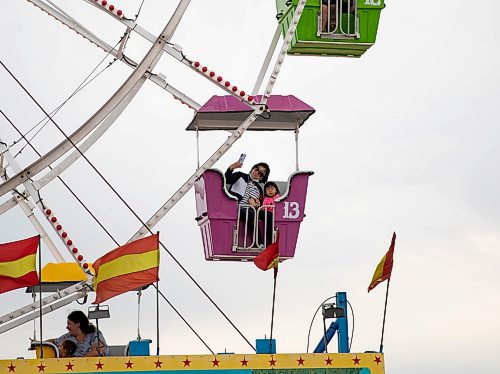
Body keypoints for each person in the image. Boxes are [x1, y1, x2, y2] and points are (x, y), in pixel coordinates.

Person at [225, 160, 270, 247]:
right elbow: (226, 180)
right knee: (250, 213)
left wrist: (257, 206)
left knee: (269, 215)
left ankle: (270, 241)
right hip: (238, 208)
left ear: (262, 178)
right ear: (253, 168)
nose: (257, 173)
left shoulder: (259, 189)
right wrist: (231, 167)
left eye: (261, 174)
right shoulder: (240, 176)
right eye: (256, 169)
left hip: (252, 210)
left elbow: (259, 205)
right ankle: (258, 243)